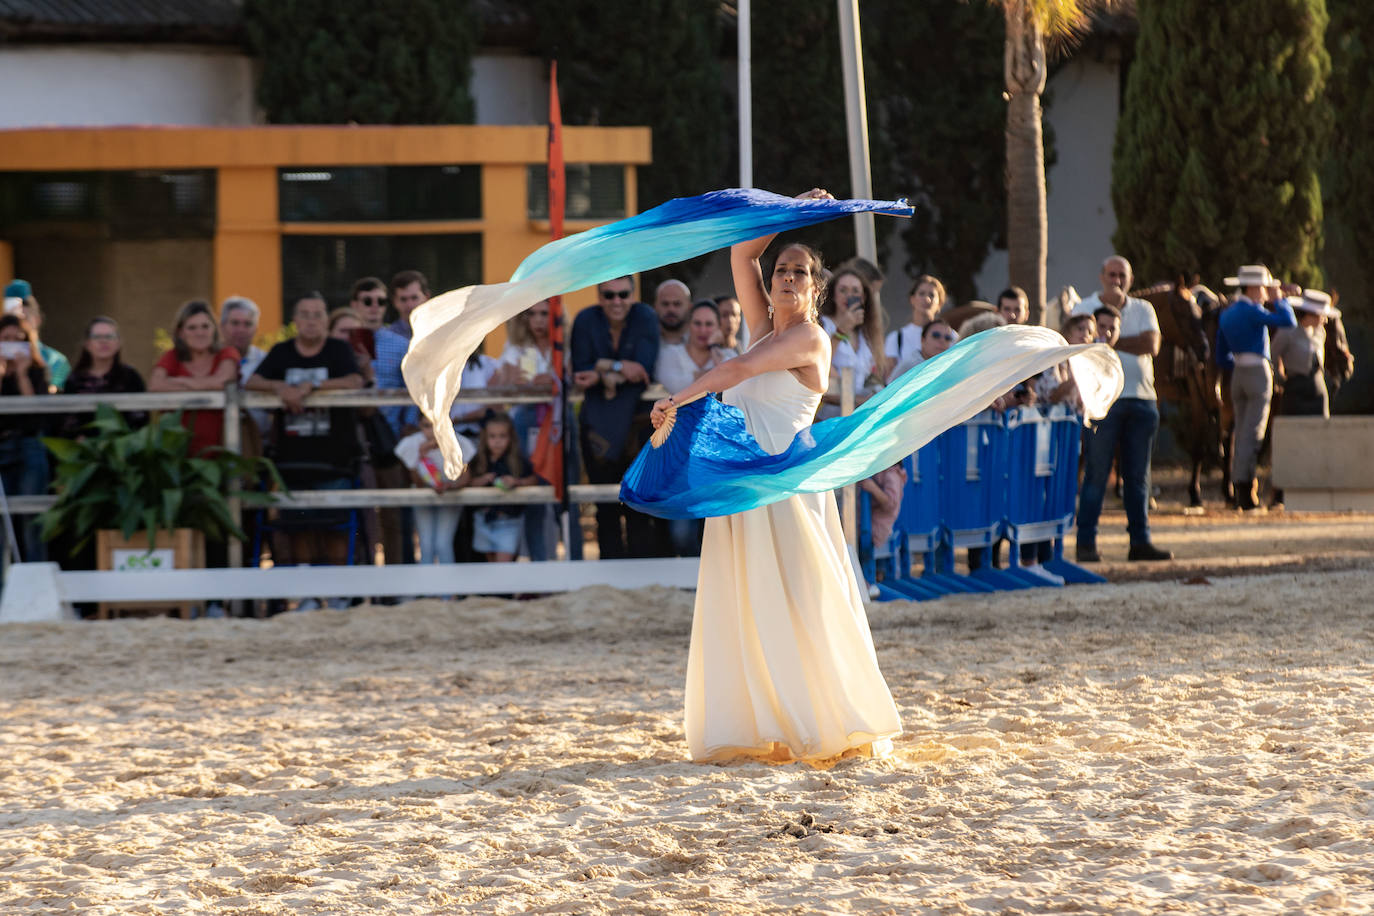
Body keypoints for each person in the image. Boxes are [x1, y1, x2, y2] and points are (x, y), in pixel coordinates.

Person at [649, 187, 901, 764]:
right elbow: (743, 256)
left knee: (801, 603)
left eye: (801, 273)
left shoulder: (810, 337)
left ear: (817, 287)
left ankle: (828, 721)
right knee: (746, 603)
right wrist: (790, 209)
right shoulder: (764, 324)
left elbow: (735, 368)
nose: (788, 278)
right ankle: (765, 723)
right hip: (742, 488)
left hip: (784, 490)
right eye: (782, 270)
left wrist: (677, 399)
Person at [246, 293, 365, 604]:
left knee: (335, 528)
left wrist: (311, 387)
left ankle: (338, 596)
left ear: (326, 320)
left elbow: (355, 381)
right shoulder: (282, 352)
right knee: (298, 528)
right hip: (291, 460)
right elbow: (252, 382)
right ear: (295, 321)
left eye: (318, 314)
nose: (312, 320)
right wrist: (279, 387)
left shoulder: (339, 350)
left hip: (335, 458)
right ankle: (309, 597)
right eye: (306, 314)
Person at [1069, 256, 1172, 562]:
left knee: (1138, 478)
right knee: (1096, 474)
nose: (1116, 280)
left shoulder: (1143, 309)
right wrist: (1116, 341)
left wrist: (1105, 340)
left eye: (1122, 275)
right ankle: (1085, 544)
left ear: (1130, 278)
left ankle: (1140, 542)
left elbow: (1151, 345)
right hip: (1102, 403)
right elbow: (1078, 348)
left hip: (1142, 400)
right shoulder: (1083, 308)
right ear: (1101, 276)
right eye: (1111, 274)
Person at [570, 275, 660, 560]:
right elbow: (582, 371)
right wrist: (619, 368)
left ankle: (641, 575)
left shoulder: (645, 316)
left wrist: (602, 370)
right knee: (605, 505)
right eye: (609, 296)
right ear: (600, 298)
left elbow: (643, 368)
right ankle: (610, 572)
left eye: (622, 294)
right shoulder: (586, 320)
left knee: (638, 503)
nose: (616, 301)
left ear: (632, 296)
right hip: (598, 426)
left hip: (638, 425)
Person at [654, 300, 736, 556]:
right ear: (689, 325)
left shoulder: (730, 357)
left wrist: (715, 353)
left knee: (719, 525)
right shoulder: (669, 354)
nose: (702, 329)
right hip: (678, 451)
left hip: (718, 450)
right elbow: (674, 384)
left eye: (709, 324)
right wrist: (713, 376)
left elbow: (727, 381)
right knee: (681, 532)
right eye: (697, 323)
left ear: (718, 327)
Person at [1215, 264, 1297, 511]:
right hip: (1257, 373)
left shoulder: (1227, 313)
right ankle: (1245, 491)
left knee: (1241, 430)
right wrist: (1280, 300)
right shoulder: (1252, 311)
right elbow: (1288, 321)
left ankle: (1239, 486)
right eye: (1263, 287)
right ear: (1253, 287)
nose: (1265, 293)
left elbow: (1221, 356)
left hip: (1238, 372)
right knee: (1253, 433)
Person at [495, 300, 559, 562]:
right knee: (532, 496)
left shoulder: (563, 344)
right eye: (531, 314)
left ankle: (567, 564)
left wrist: (552, 380)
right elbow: (506, 385)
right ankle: (538, 565)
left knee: (560, 495)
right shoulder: (516, 346)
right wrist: (525, 382)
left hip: (556, 423)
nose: (538, 320)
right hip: (525, 423)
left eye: (544, 313)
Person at [373, 269, 430, 563]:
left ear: (427, 297)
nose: (410, 304)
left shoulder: (439, 331)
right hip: (394, 435)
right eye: (403, 299)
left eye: (414, 297)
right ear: (395, 303)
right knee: (398, 511)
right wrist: (407, 425)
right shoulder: (387, 339)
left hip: (433, 433)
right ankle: (405, 571)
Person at [148, 300, 240, 456]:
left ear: (214, 329)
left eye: (205, 326)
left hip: (223, 449)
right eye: (192, 327)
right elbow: (155, 385)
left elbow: (222, 382)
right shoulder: (172, 356)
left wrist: (179, 381)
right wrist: (207, 384)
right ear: (180, 333)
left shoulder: (226, 352)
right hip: (178, 453)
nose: (200, 333)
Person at [0, 313, 51, 564]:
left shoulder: (37, 371)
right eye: (5, 339)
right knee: (2, 522)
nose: (11, 345)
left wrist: (21, 374)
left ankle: (36, 584)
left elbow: (34, 411)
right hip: (2, 446)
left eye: (17, 339)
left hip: (30, 446)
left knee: (32, 519)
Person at [394, 414, 472, 565]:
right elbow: (417, 482)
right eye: (426, 426)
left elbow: (465, 477)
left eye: (436, 425)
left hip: (450, 498)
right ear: (419, 426)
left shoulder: (458, 441)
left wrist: (451, 486)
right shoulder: (412, 443)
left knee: (443, 544)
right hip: (424, 499)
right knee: (426, 545)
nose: (432, 431)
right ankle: (427, 587)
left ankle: (447, 588)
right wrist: (422, 456)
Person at [466, 412, 541, 562]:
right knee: (491, 567)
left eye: (502, 436)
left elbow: (534, 479)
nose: (497, 441)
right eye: (492, 437)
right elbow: (467, 482)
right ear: (485, 438)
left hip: (508, 521)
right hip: (483, 519)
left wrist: (517, 482)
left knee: (503, 567)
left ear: (510, 437)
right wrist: (482, 480)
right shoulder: (478, 460)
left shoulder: (517, 460)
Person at [59, 317, 147, 439]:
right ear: (87, 344)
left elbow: (141, 418)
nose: (103, 341)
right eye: (97, 337)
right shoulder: (74, 379)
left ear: (118, 343)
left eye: (109, 336)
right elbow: (65, 420)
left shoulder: (131, 377)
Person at [819, 266, 887, 420]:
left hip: (855, 417)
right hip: (826, 419)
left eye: (855, 291)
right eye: (843, 290)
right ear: (834, 295)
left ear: (863, 297)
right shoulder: (823, 324)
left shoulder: (865, 333)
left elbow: (870, 376)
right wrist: (841, 330)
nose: (849, 296)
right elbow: (820, 366)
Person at [1273, 289, 1338, 419]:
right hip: (1294, 387)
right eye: (1322, 315)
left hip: (1318, 387)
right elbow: (1273, 353)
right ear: (1311, 314)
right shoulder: (1288, 331)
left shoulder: (1321, 333)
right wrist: (1279, 376)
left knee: (1321, 429)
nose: (1325, 320)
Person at [5, 280, 69, 391]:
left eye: (23, 320)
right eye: (9, 321)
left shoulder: (56, 361)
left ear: (37, 320)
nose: (16, 329)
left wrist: (24, 375)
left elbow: (51, 400)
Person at [885, 274, 948, 375]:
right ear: (912, 299)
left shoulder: (951, 336)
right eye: (921, 294)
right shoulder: (895, 338)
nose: (927, 299)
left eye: (932, 295)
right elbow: (890, 379)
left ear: (940, 303)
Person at [886, 318, 957, 381]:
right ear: (923, 340)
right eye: (936, 335)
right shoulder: (911, 365)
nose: (942, 340)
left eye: (948, 338)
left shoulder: (950, 367)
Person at [653, 279, 692, 347]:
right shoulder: (644, 341)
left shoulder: (702, 342)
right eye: (665, 304)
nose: (671, 309)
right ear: (655, 306)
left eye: (677, 304)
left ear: (689, 307)